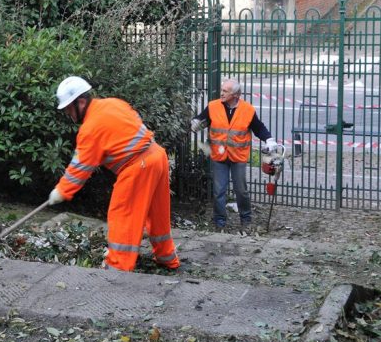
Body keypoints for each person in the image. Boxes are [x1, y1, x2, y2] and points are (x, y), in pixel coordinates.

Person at [48, 76, 180, 272]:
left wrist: (61, 191)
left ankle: (118, 268)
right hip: (157, 156)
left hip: (138, 167)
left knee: (122, 215)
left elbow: (80, 167)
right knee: (158, 214)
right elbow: (133, 123)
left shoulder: (90, 128)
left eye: (68, 108)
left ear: (80, 102)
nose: (68, 113)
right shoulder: (113, 103)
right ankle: (167, 259)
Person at [190, 79, 277, 233]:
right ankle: (219, 222)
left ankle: (246, 220)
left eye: (225, 91)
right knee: (219, 191)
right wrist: (195, 123)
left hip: (238, 157)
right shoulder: (213, 106)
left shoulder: (247, 110)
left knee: (241, 190)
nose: (221, 93)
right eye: (222, 90)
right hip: (219, 157)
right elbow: (201, 120)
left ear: (236, 94)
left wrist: (269, 139)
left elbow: (259, 128)